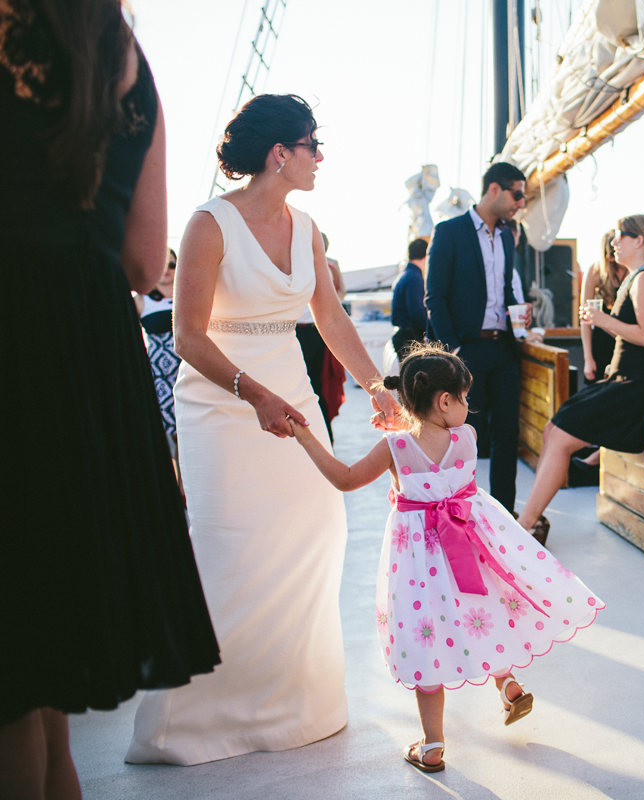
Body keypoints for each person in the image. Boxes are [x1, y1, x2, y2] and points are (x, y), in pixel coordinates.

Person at [126, 93, 402, 766]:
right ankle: (190, 725)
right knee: (230, 548)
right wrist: (253, 396)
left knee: (317, 527)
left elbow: (332, 321)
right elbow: (188, 335)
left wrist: (377, 387)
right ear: (280, 154)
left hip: (293, 393)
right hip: (222, 403)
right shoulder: (208, 224)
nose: (320, 159)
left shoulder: (306, 227)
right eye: (313, 146)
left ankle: (296, 705)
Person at [1, 1, 220, 794]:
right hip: (87, 355)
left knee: (12, 683)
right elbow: (139, 259)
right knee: (42, 668)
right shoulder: (125, 61)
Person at [288, 343, 604, 773]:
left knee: (428, 638)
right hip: (469, 547)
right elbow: (437, 441)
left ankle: (433, 745)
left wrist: (307, 437)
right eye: (464, 397)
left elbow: (346, 479)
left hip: (417, 562)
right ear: (444, 401)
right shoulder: (466, 438)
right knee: (482, 610)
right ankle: (507, 683)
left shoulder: (394, 448)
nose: (467, 406)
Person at [516, 215, 644, 541]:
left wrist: (602, 319)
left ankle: (528, 523)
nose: (614, 243)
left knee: (560, 435)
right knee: (552, 428)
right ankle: (534, 517)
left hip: (641, 384)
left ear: (639, 241)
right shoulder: (634, 278)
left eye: (620, 237)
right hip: (624, 376)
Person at [425, 161, 531, 515]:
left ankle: (503, 514)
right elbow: (434, 297)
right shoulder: (450, 231)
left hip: (503, 348)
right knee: (460, 437)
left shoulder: (506, 236)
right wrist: (453, 350)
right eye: (518, 194)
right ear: (495, 190)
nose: (521, 202)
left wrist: (521, 318)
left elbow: (504, 291)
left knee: (506, 435)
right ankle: (457, 510)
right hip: (465, 350)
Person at [295, 231, 346, 441]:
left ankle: (321, 434)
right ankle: (323, 434)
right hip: (315, 330)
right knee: (316, 383)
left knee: (314, 383)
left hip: (310, 330)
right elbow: (341, 293)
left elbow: (339, 294)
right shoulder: (330, 265)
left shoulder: (324, 265)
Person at [136, 248, 181, 442]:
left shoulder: (188, 296)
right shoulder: (141, 301)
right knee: (174, 435)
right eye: (162, 265)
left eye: (171, 264)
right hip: (161, 377)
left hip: (192, 369)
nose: (167, 270)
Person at [580, 230, 626, 384]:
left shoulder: (634, 273)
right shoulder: (595, 271)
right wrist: (588, 358)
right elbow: (584, 318)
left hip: (627, 342)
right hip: (601, 343)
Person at [391, 237, 428, 357]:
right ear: (426, 256)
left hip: (402, 335)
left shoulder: (405, 275)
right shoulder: (414, 278)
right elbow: (416, 312)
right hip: (410, 339)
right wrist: (431, 332)